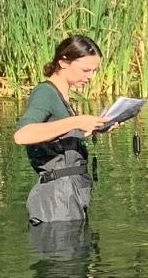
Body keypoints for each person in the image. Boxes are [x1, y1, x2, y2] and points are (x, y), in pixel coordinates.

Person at [12, 34, 124, 228]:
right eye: (85, 70)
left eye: (94, 71)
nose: (91, 77)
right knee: (64, 254)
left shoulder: (63, 96)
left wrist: (95, 128)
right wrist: (77, 121)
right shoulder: (45, 93)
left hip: (70, 192)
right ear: (63, 62)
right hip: (56, 197)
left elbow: (58, 140)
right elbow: (22, 135)